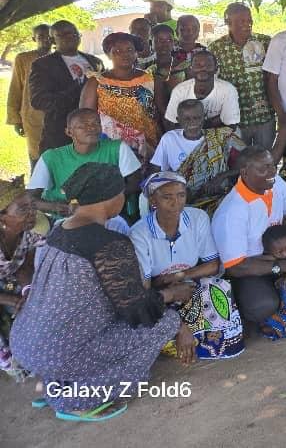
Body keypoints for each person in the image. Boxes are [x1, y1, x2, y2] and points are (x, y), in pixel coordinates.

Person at [12, 163, 193, 421]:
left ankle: (57, 383)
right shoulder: (110, 245)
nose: (124, 197)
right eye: (122, 192)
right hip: (58, 353)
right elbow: (138, 311)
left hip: (27, 343)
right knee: (166, 322)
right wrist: (172, 295)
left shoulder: (59, 230)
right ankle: (76, 398)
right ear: (110, 198)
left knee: (81, 330)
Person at [129, 172, 245, 358]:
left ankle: (199, 344)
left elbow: (213, 265)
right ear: (153, 200)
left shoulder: (197, 218)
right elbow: (146, 288)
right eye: (167, 197)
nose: (176, 202)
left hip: (187, 284)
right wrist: (178, 320)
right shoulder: (139, 233)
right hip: (160, 296)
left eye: (181, 195)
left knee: (218, 289)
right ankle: (184, 337)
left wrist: (177, 276)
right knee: (151, 324)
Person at [210, 147, 286, 326]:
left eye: (273, 166)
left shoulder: (274, 182)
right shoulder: (231, 213)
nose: (272, 172)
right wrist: (284, 266)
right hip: (251, 268)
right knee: (263, 305)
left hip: (281, 251)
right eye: (264, 168)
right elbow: (236, 267)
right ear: (244, 172)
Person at [27, 108, 141, 222]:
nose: (91, 128)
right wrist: (55, 207)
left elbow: (135, 182)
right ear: (69, 132)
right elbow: (31, 198)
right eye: (82, 126)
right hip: (62, 219)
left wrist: (102, 200)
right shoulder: (51, 157)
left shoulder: (117, 148)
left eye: (96, 123)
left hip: (105, 216)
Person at [80, 32, 161, 166]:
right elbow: (85, 118)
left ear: (136, 53)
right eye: (117, 51)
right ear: (108, 54)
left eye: (130, 50)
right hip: (110, 147)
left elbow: (162, 112)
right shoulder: (96, 82)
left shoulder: (151, 80)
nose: (125, 54)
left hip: (148, 145)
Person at [150, 99, 244, 212]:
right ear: (178, 120)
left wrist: (222, 176)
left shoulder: (220, 137)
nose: (192, 123)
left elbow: (250, 161)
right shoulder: (169, 139)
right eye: (187, 119)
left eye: (197, 118)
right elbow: (155, 174)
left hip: (217, 196)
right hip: (182, 199)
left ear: (204, 117)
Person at [29, 20, 103, 153]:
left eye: (73, 33)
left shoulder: (95, 61)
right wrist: (80, 90)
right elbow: (38, 100)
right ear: (52, 40)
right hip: (62, 135)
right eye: (62, 34)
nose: (70, 36)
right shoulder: (43, 65)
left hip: (95, 134)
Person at [209, 2, 276, 148]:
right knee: (238, 162)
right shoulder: (216, 48)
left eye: (249, 20)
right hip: (235, 119)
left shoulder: (265, 42)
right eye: (241, 21)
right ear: (228, 22)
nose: (247, 24)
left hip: (264, 116)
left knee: (263, 159)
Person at [0, 190, 46, 381]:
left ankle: (40, 355)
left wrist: (27, 292)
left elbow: (27, 261)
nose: (31, 213)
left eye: (32, 206)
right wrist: (12, 299)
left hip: (11, 281)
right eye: (23, 209)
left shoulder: (30, 233)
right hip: (5, 288)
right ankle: (10, 359)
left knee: (40, 300)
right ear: (3, 218)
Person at [6, 23, 51, 167]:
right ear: (34, 38)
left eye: (49, 36)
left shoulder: (61, 58)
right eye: (41, 37)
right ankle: (36, 188)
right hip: (32, 117)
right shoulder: (23, 59)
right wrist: (15, 118)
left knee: (56, 157)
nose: (46, 40)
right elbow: (15, 89)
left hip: (56, 116)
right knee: (36, 157)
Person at [162, 49, 241, 131]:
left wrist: (194, 125)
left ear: (216, 69)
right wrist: (215, 121)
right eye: (198, 65)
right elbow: (171, 123)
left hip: (218, 137)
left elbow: (232, 125)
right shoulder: (180, 91)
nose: (203, 68)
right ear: (191, 69)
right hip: (188, 138)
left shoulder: (228, 90)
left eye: (208, 65)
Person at [146, 23, 184, 117]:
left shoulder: (183, 66)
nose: (165, 44)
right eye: (159, 40)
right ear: (151, 42)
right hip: (152, 118)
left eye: (169, 40)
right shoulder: (146, 68)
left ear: (174, 42)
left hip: (181, 117)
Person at [172, 15, 207, 80]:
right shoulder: (169, 51)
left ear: (198, 32)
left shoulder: (205, 52)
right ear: (177, 32)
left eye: (194, 29)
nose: (190, 32)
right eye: (184, 29)